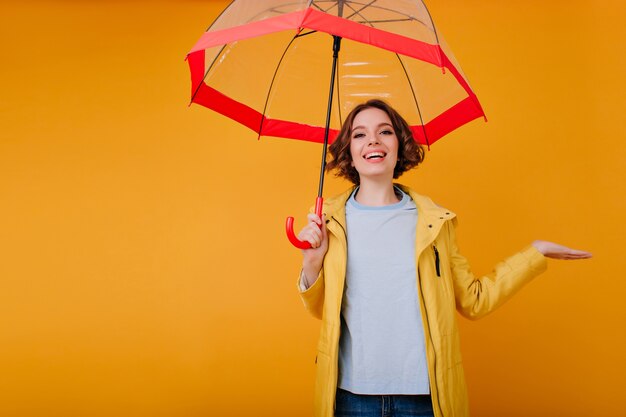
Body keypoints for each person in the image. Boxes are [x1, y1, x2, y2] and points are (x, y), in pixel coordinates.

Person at [296, 99, 591, 417]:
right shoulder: (329, 221)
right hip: (351, 396)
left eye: (385, 131)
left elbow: (474, 301)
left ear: (400, 145)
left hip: (425, 396)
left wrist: (535, 253)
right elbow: (320, 310)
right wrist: (312, 261)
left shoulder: (435, 222)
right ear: (349, 152)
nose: (373, 141)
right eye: (359, 135)